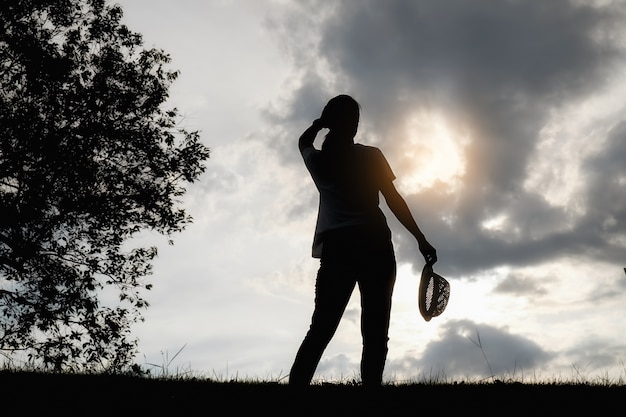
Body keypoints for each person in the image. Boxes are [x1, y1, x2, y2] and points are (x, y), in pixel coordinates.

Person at [288, 94, 437, 387]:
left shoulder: (318, 161)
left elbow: (303, 142)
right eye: (355, 120)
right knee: (376, 330)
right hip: (374, 245)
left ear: (330, 124)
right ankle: (370, 394)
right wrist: (420, 238)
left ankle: (295, 393)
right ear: (353, 125)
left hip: (337, 249)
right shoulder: (370, 156)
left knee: (321, 328)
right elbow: (393, 200)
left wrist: (319, 124)